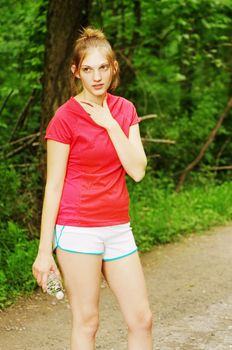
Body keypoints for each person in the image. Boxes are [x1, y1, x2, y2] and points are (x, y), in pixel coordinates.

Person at [32, 26, 152, 350]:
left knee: (141, 320)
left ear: (113, 68)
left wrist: (110, 122)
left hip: (118, 229)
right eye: (87, 68)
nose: (96, 77)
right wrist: (44, 253)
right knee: (88, 322)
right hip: (77, 229)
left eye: (102, 67)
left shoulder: (125, 110)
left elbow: (137, 170)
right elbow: (53, 186)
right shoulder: (64, 119)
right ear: (76, 71)